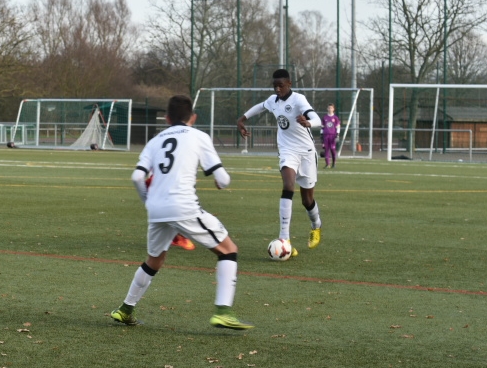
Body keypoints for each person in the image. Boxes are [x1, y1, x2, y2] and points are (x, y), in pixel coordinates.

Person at [111, 94, 253, 330]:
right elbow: (223, 179)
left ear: (166, 118)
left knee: (154, 261)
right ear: (193, 117)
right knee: (229, 251)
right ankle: (223, 311)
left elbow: (137, 176)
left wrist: (148, 201)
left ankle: (125, 309)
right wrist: (221, 182)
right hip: (183, 206)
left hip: (156, 209)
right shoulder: (198, 136)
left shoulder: (155, 140)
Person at [237, 69, 323, 257]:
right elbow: (260, 106)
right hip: (287, 151)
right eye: (275, 86)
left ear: (289, 84)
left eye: (281, 86)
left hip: (306, 153)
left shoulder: (299, 100)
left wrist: (309, 123)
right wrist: (242, 119)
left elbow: (317, 118)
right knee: (288, 185)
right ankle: (285, 238)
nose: (277, 89)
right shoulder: (273, 101)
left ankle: (316, 226)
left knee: (307, 200)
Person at [321, 104, 340, 168]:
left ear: (333, 109)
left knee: (332, 149)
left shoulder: (335, 118)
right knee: (326, 149)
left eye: (331, 108)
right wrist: (321, 135)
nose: (330, 109)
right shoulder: (324, 117)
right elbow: (322, 127)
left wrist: (337, 135)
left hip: (333, 135)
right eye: (329, 108)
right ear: (327, 108)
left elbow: (338, 127)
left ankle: (334, 163)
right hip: (326, 135)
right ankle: (327, 164)